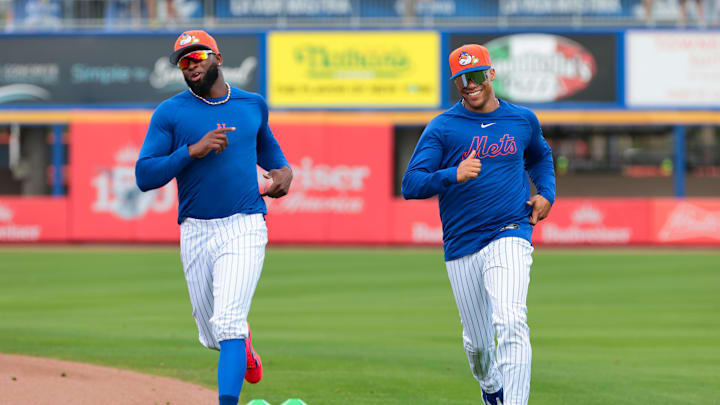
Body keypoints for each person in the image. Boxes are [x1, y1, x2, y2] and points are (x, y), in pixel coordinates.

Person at [135, 30, 293, 405]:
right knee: (212, 335)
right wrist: (192, 151)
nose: (191, 65)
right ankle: (246, 349)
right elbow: (144, 176)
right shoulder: (170, 113)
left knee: (228, 325)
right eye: (184, 61)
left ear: (218, 58)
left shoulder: (252, 104)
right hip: (196, 230)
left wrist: (284, 174)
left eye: (198, 56)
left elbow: (273, 158)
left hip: (244, 224)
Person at [401, 44, 556, 405]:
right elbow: (411, 183)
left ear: (492, 74)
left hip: (511, 230)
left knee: (512, 320)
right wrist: (451, 174)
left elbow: (540, 155)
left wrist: (546, 191)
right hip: (462, 243)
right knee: (478, 346)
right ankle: (491, 389)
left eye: (475, 76)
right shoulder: (443, 127)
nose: (469, 84)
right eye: (460, 79)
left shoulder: (522, 120)